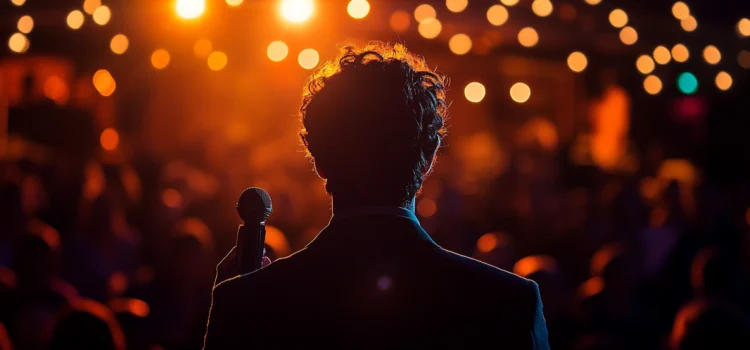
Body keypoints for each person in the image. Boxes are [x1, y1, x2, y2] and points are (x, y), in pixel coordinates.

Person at [204, 42, 549, 349]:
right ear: (428, 158)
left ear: (318, 159)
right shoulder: (508, 303)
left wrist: (238, 303)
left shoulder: (248, 300)